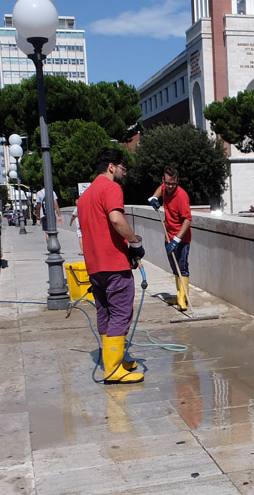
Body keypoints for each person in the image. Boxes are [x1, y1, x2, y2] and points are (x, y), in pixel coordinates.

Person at [78, 148, 145, 384]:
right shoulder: (111, 188)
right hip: (114, 264)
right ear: (111, 167)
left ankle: (111, 359)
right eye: (123, 169)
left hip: (94, 266)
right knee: (121, 312)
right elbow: (116, 219)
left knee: (104, 311)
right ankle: (114, 369)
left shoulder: (85, 196)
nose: (124, 174)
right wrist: (135, 242)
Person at [148, 166, 192, 311]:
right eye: (168, 183)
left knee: (182, 268)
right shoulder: (165, 188)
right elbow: (160, 189)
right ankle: (180, 294)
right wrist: (154, 198)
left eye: (173, 183)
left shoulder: (182, 196)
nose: (170, 186)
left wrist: (177, 240)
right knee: (175, 267)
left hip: (181, 238)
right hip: (168, 235)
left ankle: (182, 299)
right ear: (164, 180)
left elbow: (187, 220)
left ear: (177, 181)